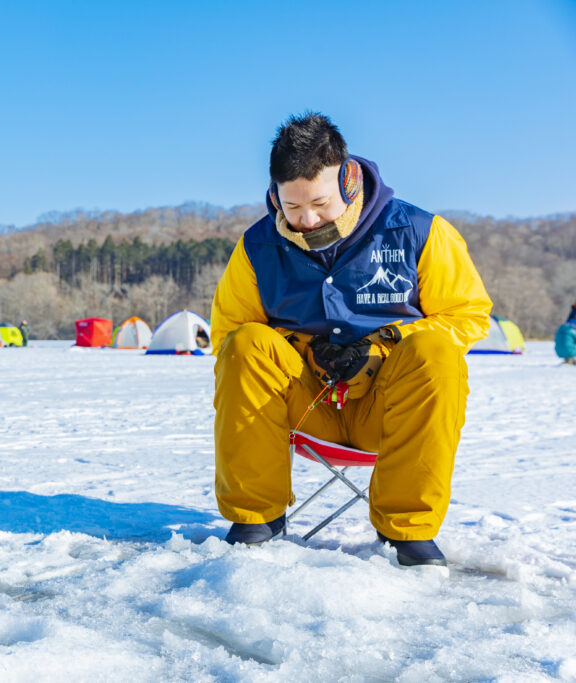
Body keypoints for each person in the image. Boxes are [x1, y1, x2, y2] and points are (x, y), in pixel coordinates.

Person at [211, 112, 492, 568]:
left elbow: (467, 315)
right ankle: (255, 518)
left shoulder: (420, 232)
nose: (306, 219)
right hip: (303, 405)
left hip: (388, 406)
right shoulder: (256, 247)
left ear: (348, 179)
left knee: (436, 352)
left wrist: (387, 339)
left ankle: (407, 528)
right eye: (291, 206)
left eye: (319, 203)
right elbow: (226, 334)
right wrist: (300, 345)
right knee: (245, 344)